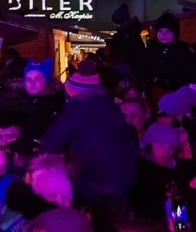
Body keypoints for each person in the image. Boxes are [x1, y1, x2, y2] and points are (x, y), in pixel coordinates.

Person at [39, 60, 140, 210]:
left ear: (72, 92)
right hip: (126, 178)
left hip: (93, 180)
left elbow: (49, 145)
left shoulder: (75, 112)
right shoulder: (112, 105)